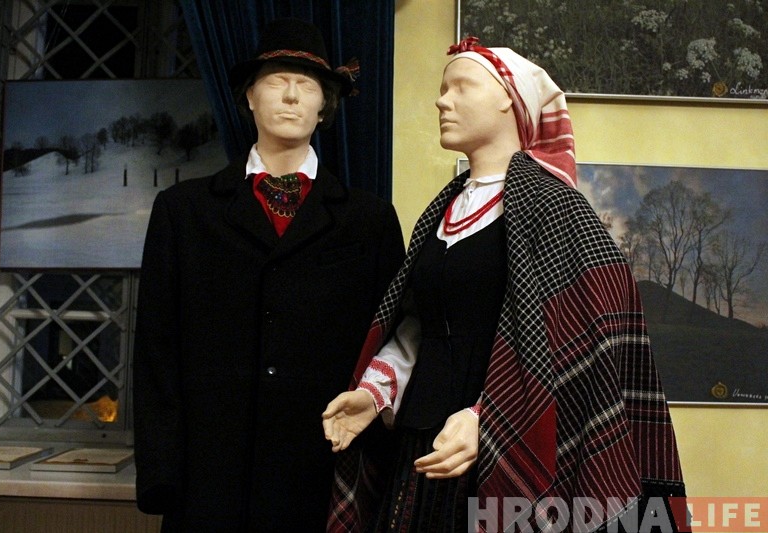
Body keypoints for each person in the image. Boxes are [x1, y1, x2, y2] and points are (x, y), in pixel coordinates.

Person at [323, 37, 686, 532]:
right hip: (419, 445)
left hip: (506, 449)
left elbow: (577, 343)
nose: (442, 101)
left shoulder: (556, 208)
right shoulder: (443, 209)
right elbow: (418, 325)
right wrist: (374, 393)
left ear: (509, 100)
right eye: (442, 89)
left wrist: (486, 417)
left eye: (461, 87)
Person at [133, 18, 405, 531]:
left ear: (324, 106)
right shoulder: (184, 212)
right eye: (277, 81)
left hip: (323, 470)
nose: (292, 96)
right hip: (208, 476)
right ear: (249, 97)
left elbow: (391, 342)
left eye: (307, 85)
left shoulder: (369, 220)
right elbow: (155, 349)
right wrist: (160, 472)